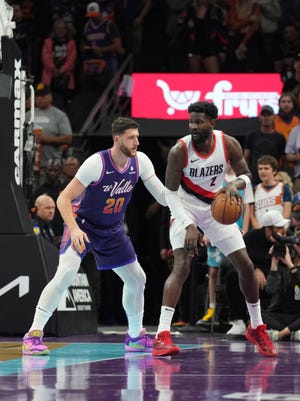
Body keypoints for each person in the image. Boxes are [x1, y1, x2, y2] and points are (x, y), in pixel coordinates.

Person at [22, 117, 167, 356]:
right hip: (83, 226)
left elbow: (162, 196)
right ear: (117, 139)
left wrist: (185, 196)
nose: (137, 142)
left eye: (137, 137)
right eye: (132, 138)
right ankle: (33, 334)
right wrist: (75, 228)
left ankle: (135, 336)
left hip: (112, 229)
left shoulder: (140, 161)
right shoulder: (96, 163)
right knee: (66, 275)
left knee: (137, 278)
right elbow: (63, 199)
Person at [152, 100, 277, 358]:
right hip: (184, 208)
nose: (193, 126)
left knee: (244, 264)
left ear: (212, 122)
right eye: (190, 121)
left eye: (198, 121)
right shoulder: (179, 151)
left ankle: (256, 326)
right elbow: (170, 195)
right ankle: (162, 335)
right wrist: (188, 225)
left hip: (214, 209)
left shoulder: (227, 143)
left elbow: (246, 175)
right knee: (182, 266)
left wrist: (235, 186)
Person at [225, 209, 289, 337]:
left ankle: (276, 321)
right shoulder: (251, 237)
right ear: (268, 230)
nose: (283, 230)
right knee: (232, 275)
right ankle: (239, 321)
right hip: (253, 277)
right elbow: (238, 258)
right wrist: (254, 269)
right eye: (279, 228)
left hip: (276, 276)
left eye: (283, 227)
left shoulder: (287, 239)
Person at [243, 105, 286, 186]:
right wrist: (246, 175)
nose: (266, 118)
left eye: (269, 115)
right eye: (264, 115)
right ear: (260, 117)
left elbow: (283, 159)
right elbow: (246, 157)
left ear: (274, 117)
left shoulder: (280, 138)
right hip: (254, 178)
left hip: (274, 178)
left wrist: (282, 174)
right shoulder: (251, 135)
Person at [250, 155, 292, 229]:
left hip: (280, 232)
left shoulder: (284, 188)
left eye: (266, 168)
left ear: (274, 171)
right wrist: (260, 231)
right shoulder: (254, 190)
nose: (262, 171)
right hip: (261, 233)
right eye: (260, 169)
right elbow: (251, 216)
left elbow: (286, 214)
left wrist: (278, 230)